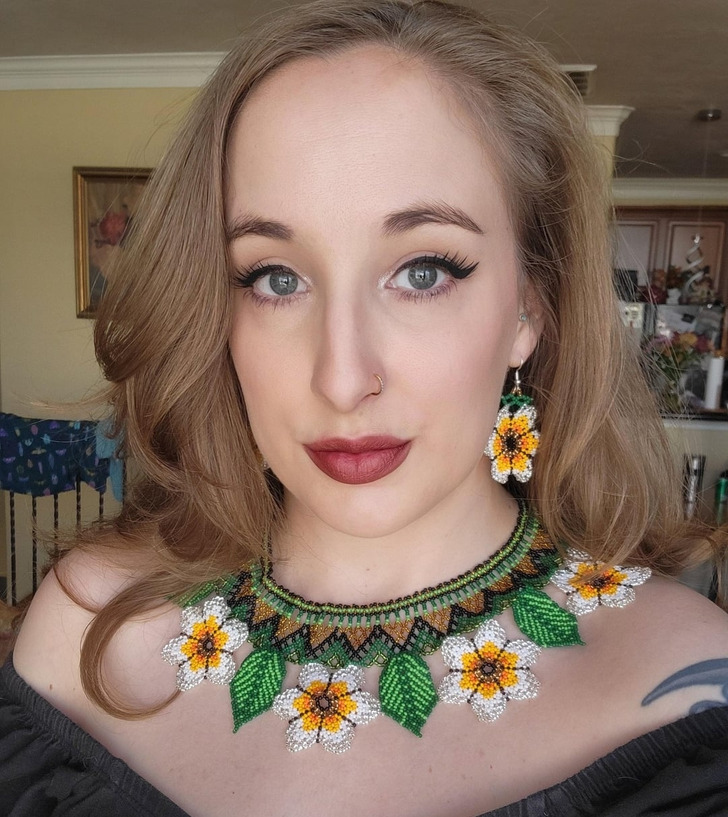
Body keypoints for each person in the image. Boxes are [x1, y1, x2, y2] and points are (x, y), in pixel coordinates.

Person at [2, 1, 728, 814]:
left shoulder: (688, 690)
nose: (343, 379)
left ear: (530, 306)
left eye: (423, 271)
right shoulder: (85, 632)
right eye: (276, 278)